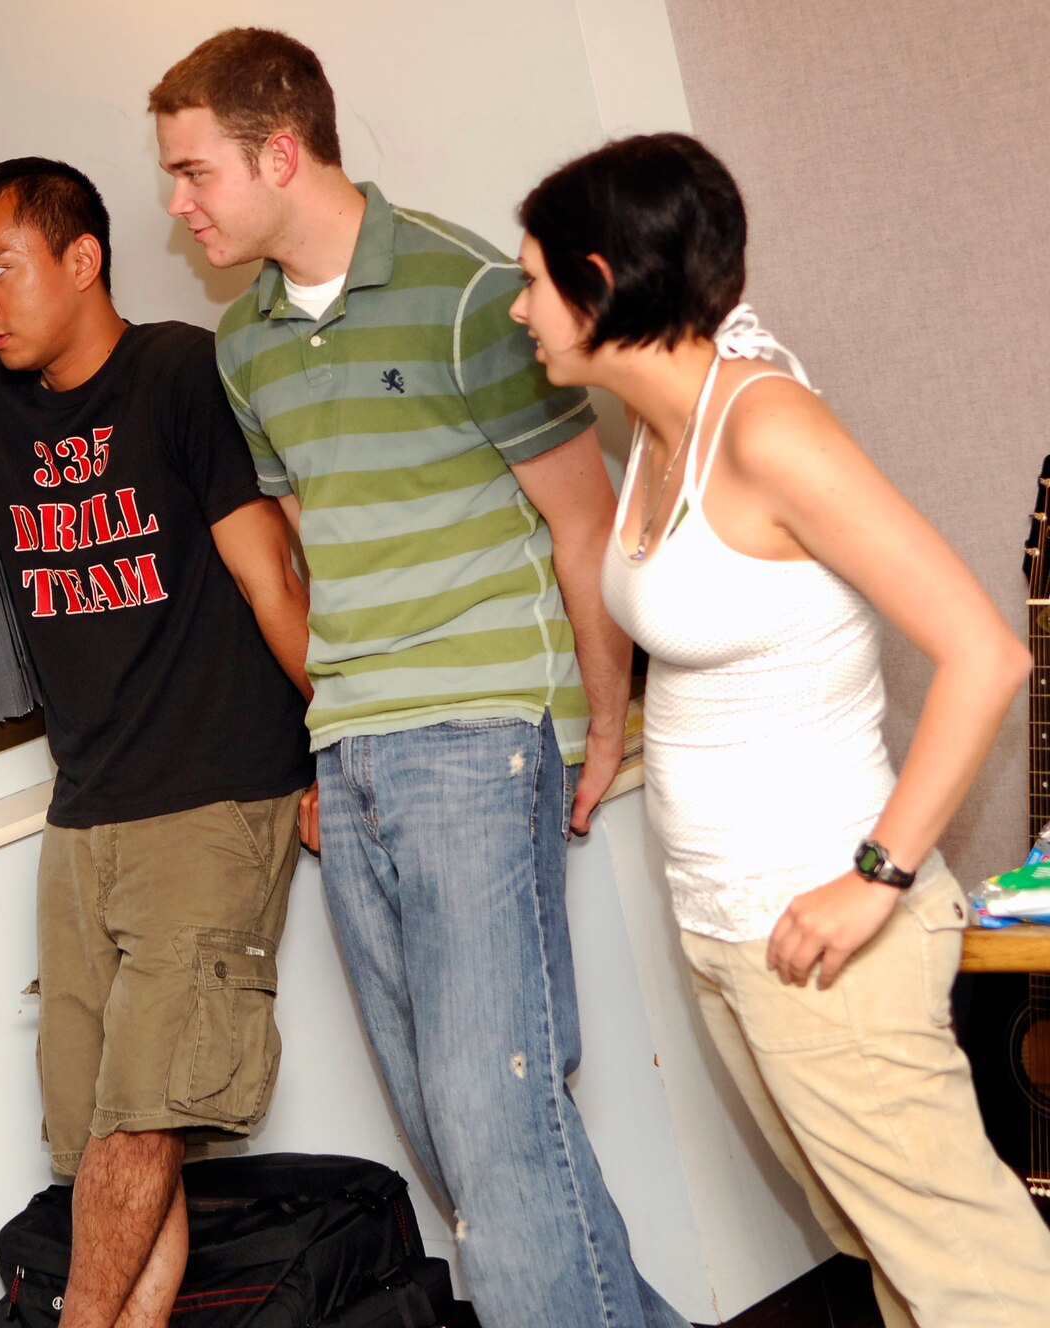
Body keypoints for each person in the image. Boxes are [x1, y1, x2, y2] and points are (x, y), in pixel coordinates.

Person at [149, 29, 689, 1328]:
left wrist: (600, 726)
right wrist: (322, 751)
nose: (175, 204)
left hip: (484, 735)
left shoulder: (471, 293)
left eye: (192, 171)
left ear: (281, 152)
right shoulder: (247, 345)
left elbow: (583, 517)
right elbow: (307, 563)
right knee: (466, 1150)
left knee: (498, 1127)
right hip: (357, 752)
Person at [512, 131, 1050, 1328]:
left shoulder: (764, 429)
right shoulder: (660, 428)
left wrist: (875, 878)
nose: (518, 307)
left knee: (973, 1275)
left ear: (599, 282)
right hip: (728, 926)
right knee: (881, 1250)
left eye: (533, 279)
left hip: (825, 920)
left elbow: (983, 650)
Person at [0, 158, 314, 1328]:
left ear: (81, 256)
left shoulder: (179, 372)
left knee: (147, 1108)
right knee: (101, 1125)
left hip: (214, 785)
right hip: (84, 807)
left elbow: (268, 574)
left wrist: (334, 742)